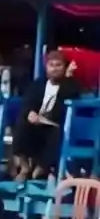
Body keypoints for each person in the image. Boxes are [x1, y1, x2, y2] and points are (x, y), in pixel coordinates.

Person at [12, 50, 79, 181]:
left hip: (55, 124)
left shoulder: (71, 85)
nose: (54, 69)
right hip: (37, 122)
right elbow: (28, 101)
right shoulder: (38, 84)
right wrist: (30, 112)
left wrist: (68, 77)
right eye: (51, 65)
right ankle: (25, 167)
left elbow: (69, 94)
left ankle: (42, 169)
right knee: (22, 125)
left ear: (64, 67)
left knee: (56, 134)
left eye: (58, 65)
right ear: (46, 67)